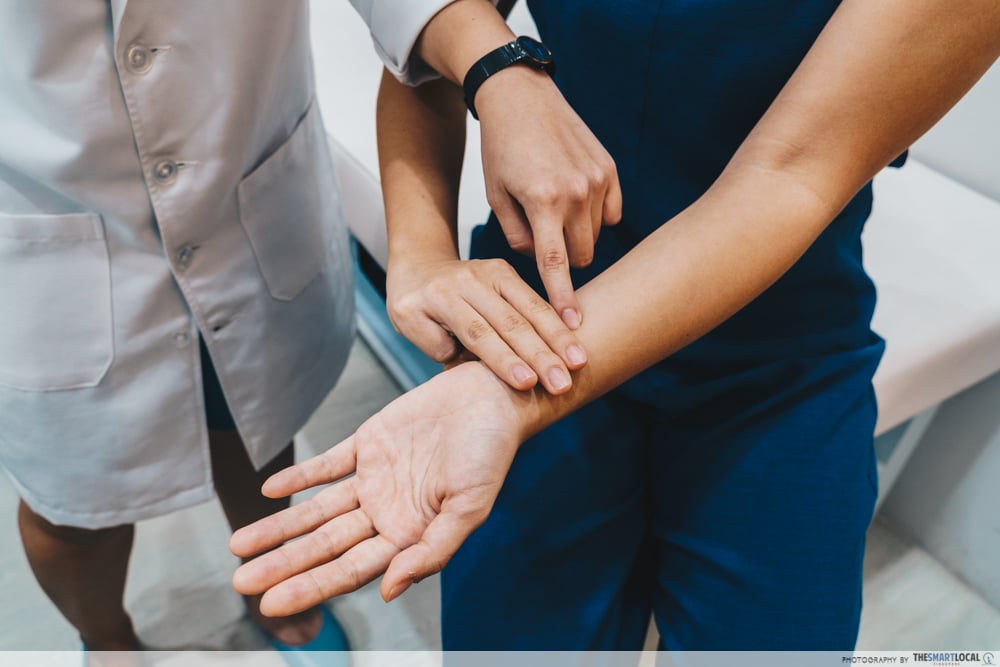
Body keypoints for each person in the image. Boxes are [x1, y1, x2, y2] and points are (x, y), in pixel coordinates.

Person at [231, 0, 1000, 651]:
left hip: (770, 364)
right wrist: (421, 248)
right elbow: (429, 45)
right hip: (534, 319)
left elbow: (792, 172)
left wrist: (514, 392)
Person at [0, 1, 360, 659]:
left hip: (234, 167)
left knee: (256, 426)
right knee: (74, 505)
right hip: (44, 206)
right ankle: (106, 638)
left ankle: (272, 583)